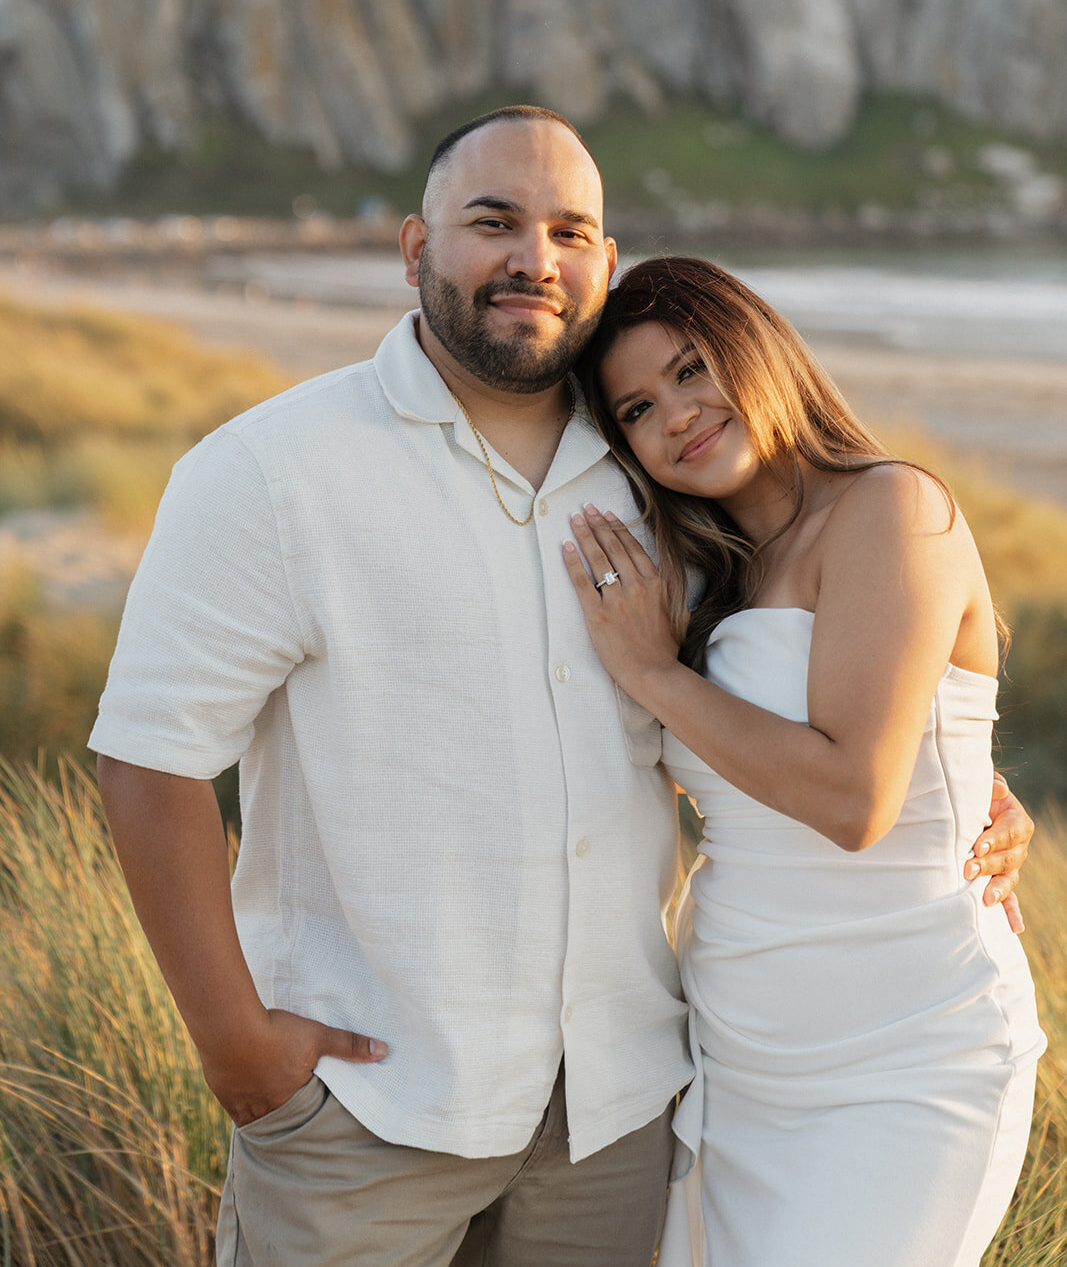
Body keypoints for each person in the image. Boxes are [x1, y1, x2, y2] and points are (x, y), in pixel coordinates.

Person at [88, 108, 1031, 1267]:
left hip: (621, 1112)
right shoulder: (272, 470)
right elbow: (146, 759)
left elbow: (844, 695)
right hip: (374, 1108)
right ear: (414, 248)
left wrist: (966, 782)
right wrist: (238, 1047)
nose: (533, 257)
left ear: (603, 260)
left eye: (568, 231)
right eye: (493, 223)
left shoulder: (660, 491)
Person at [562, 254, 1045, 1267]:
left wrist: (651, 675)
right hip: (738, 1059)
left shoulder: (890, 507)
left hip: (907, 1059)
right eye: (638, 409)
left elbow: (853, 799)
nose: (678, 416)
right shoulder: (703, 577)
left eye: (691, 369)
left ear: (757, 347)